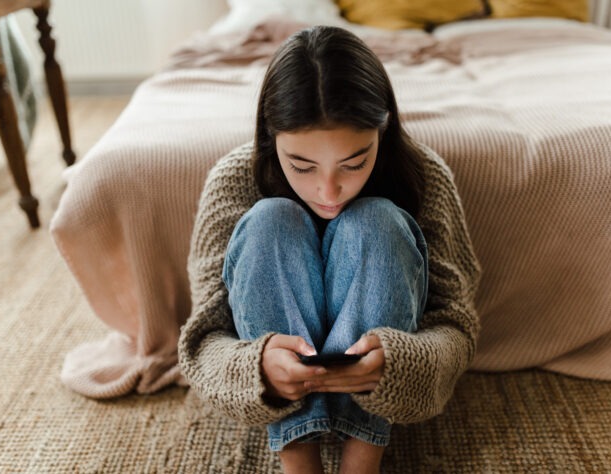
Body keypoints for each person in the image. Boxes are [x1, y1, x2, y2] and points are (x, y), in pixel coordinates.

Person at [178, 25, 481, 474]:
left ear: (384, 129)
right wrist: (257, 368)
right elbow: (203, 341)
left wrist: (401, 363)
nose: (329, 190)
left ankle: (363, 457)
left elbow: (456, 324)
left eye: (355, 162)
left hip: (377, 406)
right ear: (270, 137)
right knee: (270, 219)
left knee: (376, 218)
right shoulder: (234, 179)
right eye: (301, 165)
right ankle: (297, 457)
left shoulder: (423, 176)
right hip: (282, 406)